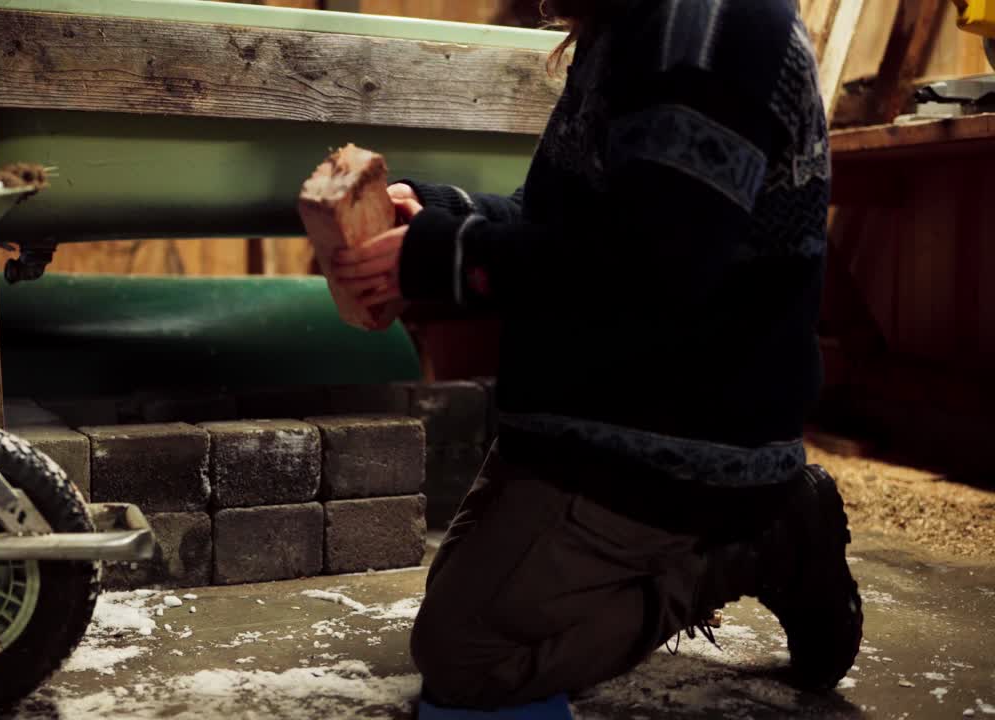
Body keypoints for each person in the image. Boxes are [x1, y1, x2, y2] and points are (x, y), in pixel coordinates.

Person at [326, 0, 863, 711]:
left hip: (681, 435)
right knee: (467, 595)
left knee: (467, 655)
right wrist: (440, 215)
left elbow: (654, 267)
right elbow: (569, 224)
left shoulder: (706, 25)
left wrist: (442, 257)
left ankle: (752, 546)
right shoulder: (636, 22)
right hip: (603, 412)